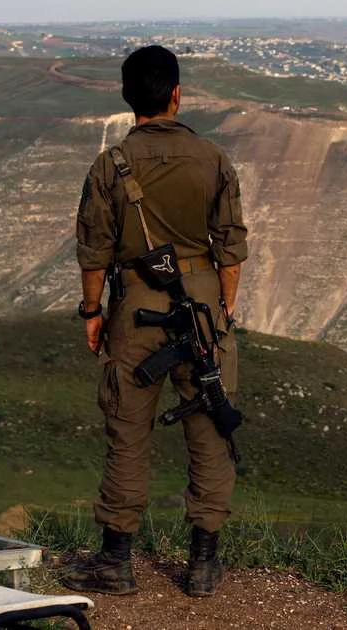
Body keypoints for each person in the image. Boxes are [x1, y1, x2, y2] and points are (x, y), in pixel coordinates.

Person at [62, 44, 247, 598]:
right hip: (203, 304)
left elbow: (93, 252)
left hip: (135, 305)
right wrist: (223, 308)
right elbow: (230, 247)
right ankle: (203, 565)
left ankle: (116, 562)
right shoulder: (213, 159)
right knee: (210, 429)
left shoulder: (110, 165)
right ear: (177, 95)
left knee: (127, 432)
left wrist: (92, 312)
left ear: (127, 97)